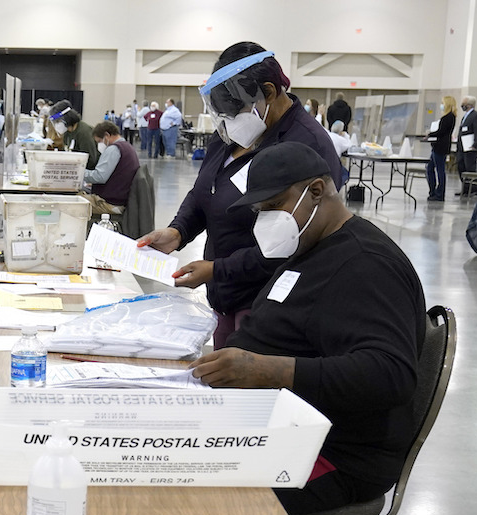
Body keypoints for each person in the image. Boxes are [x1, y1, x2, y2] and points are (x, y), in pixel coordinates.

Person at [123, 141, 426, 515]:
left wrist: (269, 370)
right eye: (260, 210)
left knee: (216, 470)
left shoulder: (366, 265)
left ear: (318, 191)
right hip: (286, 421)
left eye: (275, 205)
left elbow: (390, 374)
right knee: (167, 443)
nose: (267, 221)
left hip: (338, 450)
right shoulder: (311, 249)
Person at [136, 42, 344, 349]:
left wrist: (217, 270)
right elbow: (205, 190)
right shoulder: (233, 133)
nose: (230, 120)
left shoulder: (306, 146)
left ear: (269, 92)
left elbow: (293, 243)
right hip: (225, 294)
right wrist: (178, 231)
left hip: (269, 303)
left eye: (237, 110)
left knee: (246, 374)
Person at [83, 121, 140, 217]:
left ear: (107, 135)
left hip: (109, 204)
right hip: (120, 199)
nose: (100, 145)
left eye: (99, 141)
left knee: (72, 203)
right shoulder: (127, 146)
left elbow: (100, 177)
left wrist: (79, 172)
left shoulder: (113, 149)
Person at [47, 101, 98, 170]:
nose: (56, 125)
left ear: (66, 118)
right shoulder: (67, 133)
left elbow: (90, 160)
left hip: (88, 171)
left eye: (58, 121)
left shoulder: (83, 132)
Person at [425, 96, 457, 201]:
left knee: (440, 170)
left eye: (443, 103)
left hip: (440, 147)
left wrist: (430, 134)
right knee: (430, 168)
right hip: (438, 146)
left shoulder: (448, 117)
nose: (441, 105)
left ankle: (439, 193)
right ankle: (433, 191)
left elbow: (441, 132)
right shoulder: (448, 117)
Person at [456, 95, 477, 196]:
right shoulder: (465, 116)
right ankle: (465, 188)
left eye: (464, 104)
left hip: (469, 146)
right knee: (461, 166)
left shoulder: (476, 115)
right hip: (461, 146)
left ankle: (473, 188)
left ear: (469, 105)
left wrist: (475, 144)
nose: (462, 105)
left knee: (469, 168)